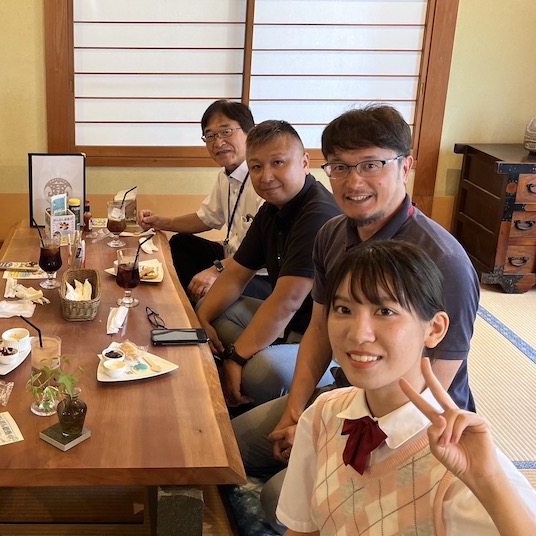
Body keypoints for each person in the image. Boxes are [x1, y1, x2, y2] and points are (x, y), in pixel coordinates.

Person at [231, 104, 480, 531]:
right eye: (341, 167)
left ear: (406, 166)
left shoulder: (444, 260)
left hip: (414, 423)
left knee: (280, 499)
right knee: (231, 446)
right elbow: (318, 329)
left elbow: (433, 378)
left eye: (370, 165)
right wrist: (296, 414)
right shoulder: (333, 234)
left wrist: (327, 437)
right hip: (343, 393)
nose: (354, 181)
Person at [277, 240, 536, 535]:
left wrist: (489, 482)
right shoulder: (323, 413)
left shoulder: (467, 465)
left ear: (434, 329)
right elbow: (304, 530)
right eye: (344, 309)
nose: (359, 334)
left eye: (385, 311)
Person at [196, 120, 341, 408]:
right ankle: (255, 362)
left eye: (278, 163)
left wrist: (236, 358)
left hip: (325, 343)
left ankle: (251, 383)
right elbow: (236, 273)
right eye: (256, 167)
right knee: (210, 309)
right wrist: (201, 322)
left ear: (304, 163)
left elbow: (287, 301)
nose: (266, 176)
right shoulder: (272, 210)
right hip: (290, 328)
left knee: (259, 373)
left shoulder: (318, 213)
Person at [137, 100, 270, 302]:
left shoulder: (264, 180)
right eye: (210, 135)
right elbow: (206, 218)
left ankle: (198, 309)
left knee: (216, 283)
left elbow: (260, 251)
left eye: (226, 132)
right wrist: (161, 222)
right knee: (181, 243)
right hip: (231, 257)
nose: (218, 142)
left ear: (250, 133)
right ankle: (187, 305)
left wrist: (217, 270)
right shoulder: (225, 177)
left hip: (259, 274)